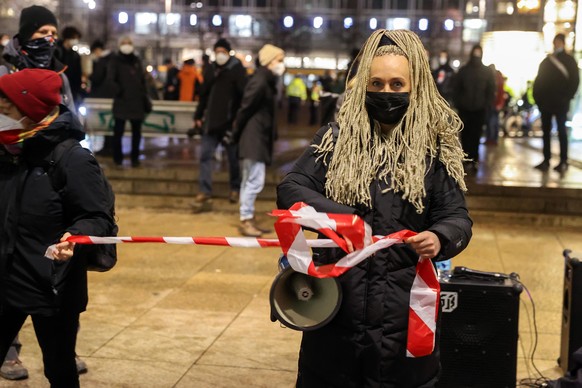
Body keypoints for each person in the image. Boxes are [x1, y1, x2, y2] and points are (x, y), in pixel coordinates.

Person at [277, 29, 472, 387]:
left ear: (417, 88)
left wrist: (440, 236)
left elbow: (457, 218)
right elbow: (291, 187)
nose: (386, 93)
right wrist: (340, 217)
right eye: (377, 83)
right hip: (336, 312)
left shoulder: (435, 150)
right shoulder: (335, 140)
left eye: (398, 85)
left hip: (403, 317)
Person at [0, 68, 115, 387]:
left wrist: (75, 238)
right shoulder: (7, 149)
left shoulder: (71, 159)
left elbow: (98, 217)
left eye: (5, 107)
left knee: (59, 368)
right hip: (4, 277)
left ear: (30, 109)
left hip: (51, 284)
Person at [0, 5, 87, 379]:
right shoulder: (4, 71)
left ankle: (61, 351)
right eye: (41, 33)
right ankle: (11, 352)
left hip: (48, 262)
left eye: (53, 33)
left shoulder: (69, 158)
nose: (48, 39)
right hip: (13, 230)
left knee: (58, 356)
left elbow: (94, 211)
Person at [231, 44, 285, 237]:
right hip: (253, 138)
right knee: (254, 180)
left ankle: (248, 217)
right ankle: (246, 218)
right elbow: (245, 108)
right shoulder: (261, 81)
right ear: (269, 61)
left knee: (250, 180)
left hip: (256, 136)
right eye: (279, 60)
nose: (281, 64)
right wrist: (236, 133)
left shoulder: (266, 80)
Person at [191, 38, 247, 212]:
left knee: (233, 159)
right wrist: (198, 115)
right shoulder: (211, 70)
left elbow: (243, 97)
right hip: (211, 123)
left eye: (223, 51)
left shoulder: (237, 70)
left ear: (228, 52)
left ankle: (235, 189)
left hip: (229, 123)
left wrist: (237, 120)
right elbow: (204, 95)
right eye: (218, 51)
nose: (220, 54)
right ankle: (205, 190)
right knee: (205, 156)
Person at [533, 33, 579, 173]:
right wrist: (538, 99)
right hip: (546, 103)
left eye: (559, 42)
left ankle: (563, 161)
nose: (556, 44)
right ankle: (546, 159)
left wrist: (567, 97)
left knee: (561, 131)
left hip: (560, 103)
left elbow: (574, 81)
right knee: (546, 132)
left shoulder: (569, 61)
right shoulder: (547, 61)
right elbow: (539, 81)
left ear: (563, 43)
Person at [451, 44, 495, 174]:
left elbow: (490, 90)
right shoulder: (464, 71)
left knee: (476, 136)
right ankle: (465, 160)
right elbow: (456, 88)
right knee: (465, 136)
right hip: (465, 109)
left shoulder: (486, 72)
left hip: (479, 110)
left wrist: (486, 104)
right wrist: (459, 103)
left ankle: (474, 160)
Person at [106, 35, 149, 167]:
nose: (126, 45)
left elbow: (142, 80)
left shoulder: (136, 61)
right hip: (122, 102)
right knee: (118, 132)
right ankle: (117, 158)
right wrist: (120, 91)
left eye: (128, 43)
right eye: (124, 43)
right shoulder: (115, 60)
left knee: (137, 133)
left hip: (137, 102)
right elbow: (110, 80)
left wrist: (143, 95)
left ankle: (134, 159)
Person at [54, 26, 83, 107]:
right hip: (58, 90)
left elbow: (78, 75)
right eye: (74, 38)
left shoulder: (75, 55)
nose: (76, 40)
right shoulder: (57, 52)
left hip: (72, 91)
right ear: (67, 38)